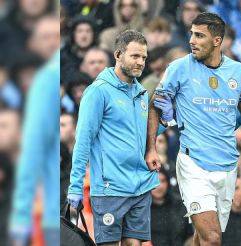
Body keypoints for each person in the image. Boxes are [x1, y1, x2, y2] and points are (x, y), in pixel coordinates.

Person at [147, 12, 241, 246]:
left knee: (204, 237)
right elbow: (155, 107)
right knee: (213, 238)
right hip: (193, 164)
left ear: (217, 41)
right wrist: (151, 148)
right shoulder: (179, 68)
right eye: (191, 34)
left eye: (199, 35)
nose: (192, 40)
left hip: (226, 167)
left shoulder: (237, 72)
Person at [67, 30, 159, 246]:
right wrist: (75, 186)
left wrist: (164, 121)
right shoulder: (97, 92)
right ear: (118, 55)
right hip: (110, 189)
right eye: (135, 56)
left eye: (144, 57)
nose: (140, 62)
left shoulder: (142, 93)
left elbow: (139, 135)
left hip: (140, 186)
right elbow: (83, 140)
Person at [9, 50, 60, 246]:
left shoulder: (49, 77)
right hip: (57, 216)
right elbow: (32, 151)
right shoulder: (49, 79)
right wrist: (21, 216)